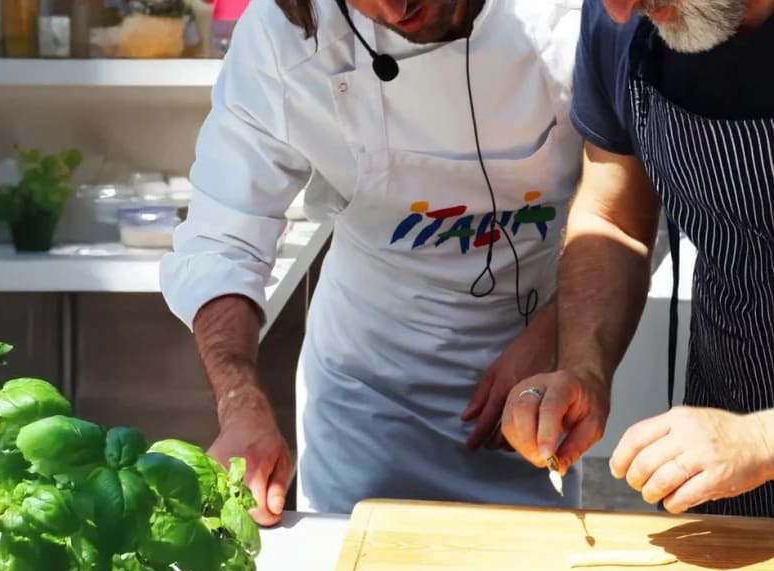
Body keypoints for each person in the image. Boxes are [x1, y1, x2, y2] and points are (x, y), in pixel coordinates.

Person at [160, 0, 585, 525]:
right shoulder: (283, 35)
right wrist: (239, 400)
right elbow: (223, 238)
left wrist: (560, 329)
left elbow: (630, 207)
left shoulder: (568, 21)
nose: (395, 6)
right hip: (366, 403)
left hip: (532, 405)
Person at [502, 0, 774, 517]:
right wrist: (584, 369)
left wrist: (761, 439)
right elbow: (614, 218)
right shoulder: (621, 23)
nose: (620, 10)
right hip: (723, 432)